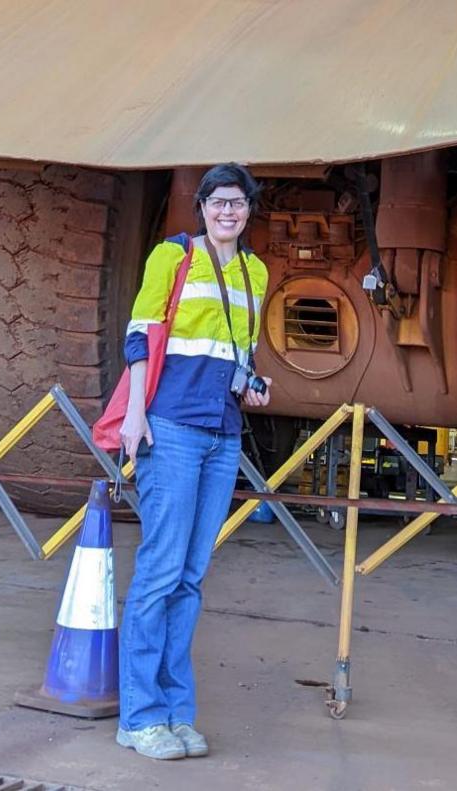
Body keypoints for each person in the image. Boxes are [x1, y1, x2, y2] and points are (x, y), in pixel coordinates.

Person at [115, 163, 271, 760]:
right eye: (217, 201)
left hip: (222, 432)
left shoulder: (255, 272)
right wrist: (135, 415)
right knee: (159, 574)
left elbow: (238, 351)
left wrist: (253, 384)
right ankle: (141, 717)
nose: (227, 211)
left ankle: (178, 713)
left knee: (190, 579)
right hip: (171, 427)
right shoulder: (172, 257)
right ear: (201, 206)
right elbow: (139, 336)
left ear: (248, 210)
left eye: (237, 203)